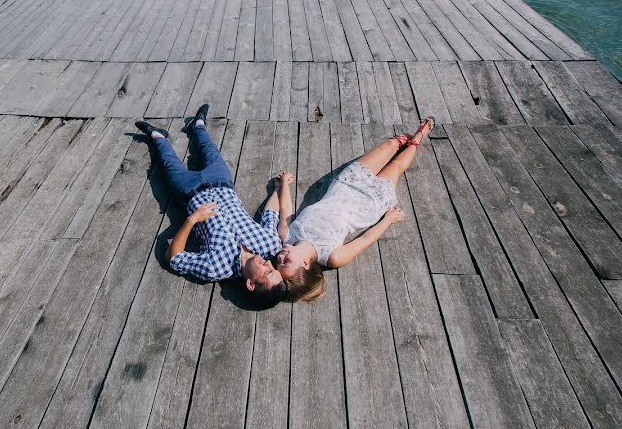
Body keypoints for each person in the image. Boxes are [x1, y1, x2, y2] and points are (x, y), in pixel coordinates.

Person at [136, 104, 286, 309]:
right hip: (221, 183)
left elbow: (174, 258)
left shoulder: (216, 267)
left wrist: (191, 220)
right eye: (273, 267)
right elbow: (271, 215)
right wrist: (279, 188)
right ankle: (197, 125)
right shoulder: (270, 245)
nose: (269, 263)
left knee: (168, 162)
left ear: (250, 284)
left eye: (267, 271)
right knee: (209, 150)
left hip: (189, 191)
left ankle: (156, 136)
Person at [275, 117, 435, 301]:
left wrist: (284, 184)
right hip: (370, 202)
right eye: (285, 262)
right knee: (396, 166)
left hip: (346, 183)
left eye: (278, 262)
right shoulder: (331, 256)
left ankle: (401, 141)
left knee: (391, 145)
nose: (280, 257)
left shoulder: (286, 235)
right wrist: (388, 220)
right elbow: (364, 240)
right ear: (304, 264)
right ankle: (419, 136)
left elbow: (286, 208)